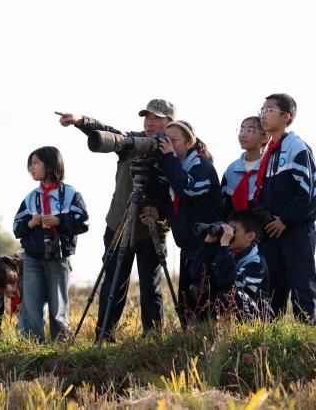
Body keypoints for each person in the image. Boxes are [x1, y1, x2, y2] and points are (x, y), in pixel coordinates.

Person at [56, 99, 174, 342]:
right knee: (114, 280)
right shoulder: (131, 142)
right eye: (147, 118)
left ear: (170, 122)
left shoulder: (174, 152)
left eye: (157, 119)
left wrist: (159, 211)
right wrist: (79, 121)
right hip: (119, 224)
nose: (150, 123)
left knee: (150, 286)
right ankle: (104, 335)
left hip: (152, 227)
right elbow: (109, 134)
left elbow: (178, 192)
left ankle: (152, 338)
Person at [13, 146, 89, 343]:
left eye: (36, 163)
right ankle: (31, 345)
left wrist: (59, 221)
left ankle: (60, 346)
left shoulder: (71, 194)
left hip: (59, 257)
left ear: (50, 165)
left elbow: (84, 222)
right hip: (32, 258)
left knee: (58, 305)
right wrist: (31, 223)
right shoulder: (30, 198)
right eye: (30, 164)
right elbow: (16, 227)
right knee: (31, 304)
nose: (31, 167)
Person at [254, 93, 316, 324]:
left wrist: (285, 220)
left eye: (269, 110)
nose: (263, 114)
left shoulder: (296, 147)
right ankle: (273, 340)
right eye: (262, 109)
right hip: (272, 230)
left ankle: (307, 341)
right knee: (272, 287)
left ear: (286, 116)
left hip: (296, 229)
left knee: (302, 286)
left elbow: (309, 193)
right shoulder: (269, 151)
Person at [158, 120, 223, 326]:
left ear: (190, 143)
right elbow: (174, 204)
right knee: (186, 306)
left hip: (206, 247)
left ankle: (205, 347)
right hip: (188, 247)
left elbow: (186, 189)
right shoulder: (174, 166)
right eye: (166, 140)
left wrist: (168, 157)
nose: (168, 145)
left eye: (174, 140)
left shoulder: (201, 166)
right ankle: (188, 347)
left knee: (203, 305)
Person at [190, 210, 272, 321]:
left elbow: (227, 282)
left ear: (250, 236)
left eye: (233, 231)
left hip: (259, 319)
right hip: (231, 314)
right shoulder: (227, 255)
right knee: (198, 288)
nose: (228, 235)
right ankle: (209, 327)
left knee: (228, 294)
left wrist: (224, 245)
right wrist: (207, 243)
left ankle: (239, 332)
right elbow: (196, 274)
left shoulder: (257, 264)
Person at [221, 116, 270, 216]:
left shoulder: (269, 168)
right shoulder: (232, 169)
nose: (242, 135)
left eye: (250, 130)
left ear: (265, 137)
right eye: (241, 129)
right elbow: (223, 203)